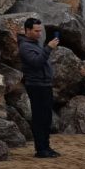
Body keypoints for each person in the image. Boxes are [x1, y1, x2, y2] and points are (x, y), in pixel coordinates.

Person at [18, 18, 61, 158]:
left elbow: (42, 61)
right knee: (39, 117)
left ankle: (46, 147)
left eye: (40, 31)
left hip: (45, 84)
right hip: (36, 85)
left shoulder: (35, 44)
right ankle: (41, 149)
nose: (39, 34)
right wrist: (48, 48)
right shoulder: (25, 46)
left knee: (47, 117)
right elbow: (36, 62)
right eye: (36, 31)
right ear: (27, 30)